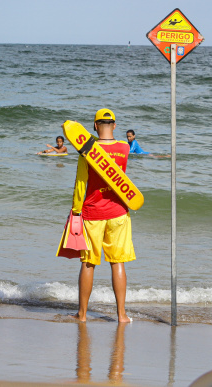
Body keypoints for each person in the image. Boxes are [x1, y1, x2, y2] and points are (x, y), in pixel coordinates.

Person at [71, 108, 134, 323]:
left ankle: (82, 314)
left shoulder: (87, 151)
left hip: (92, 212)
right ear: (115, 126)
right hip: (118, 212)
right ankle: (122, 315)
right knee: (118, 262)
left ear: (95, 125)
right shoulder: (125, 147)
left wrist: (75, 211)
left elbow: (81, 183)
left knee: (88, 263)